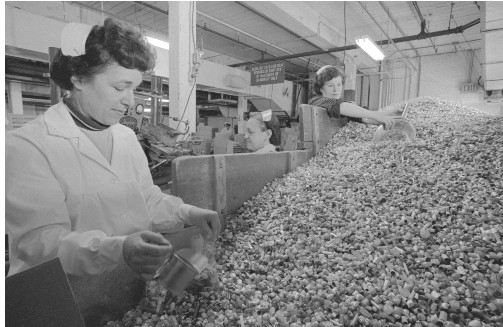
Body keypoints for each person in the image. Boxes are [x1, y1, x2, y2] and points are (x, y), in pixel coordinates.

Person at [5, 18, 220, 280]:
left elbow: (147, 199)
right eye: (120, 87)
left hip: (121, 284)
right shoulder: (28, 146)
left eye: (134, 89)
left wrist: (188, 213)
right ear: (79, 80)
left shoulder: (125, 136)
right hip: (63, 292)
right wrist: (117, 248)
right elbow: (39, 242)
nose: (130, 101)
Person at [309, 65, 400, 130]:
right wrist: (376, 115)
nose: (336, 90)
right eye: (330, 85)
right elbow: (340, 106)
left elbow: (366, 118)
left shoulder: (347, 107)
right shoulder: (316, 102)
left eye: (339, 84)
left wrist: (392, 113)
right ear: (321, 89)